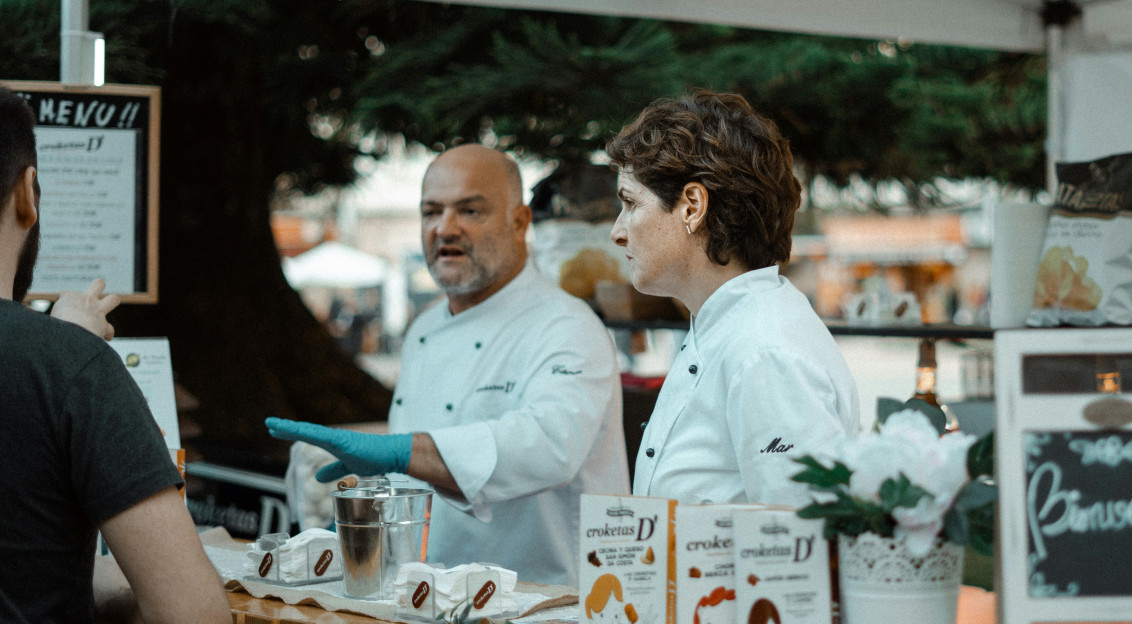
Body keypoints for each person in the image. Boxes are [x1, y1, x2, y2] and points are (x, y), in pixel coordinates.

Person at [267, 144, 629, 586]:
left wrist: (402, 452)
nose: (445, 228)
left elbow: (550, 446)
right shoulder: (424, 331)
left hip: (541, 600)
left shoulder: (568, 325)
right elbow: (418, 488)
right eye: (431, 212)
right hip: (431, 597)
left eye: (470, 211)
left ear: (520, 223)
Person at [0, 86, 230, 623]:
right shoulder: (72, 367)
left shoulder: (59, 359)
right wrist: (61, 351)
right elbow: (193, 614)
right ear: (27, 193)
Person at [606, 90, 860, 505]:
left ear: (692, 206)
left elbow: (799, 540)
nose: (617, 232)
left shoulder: (764, 351)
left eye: (631, 203)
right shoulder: (734, 326)